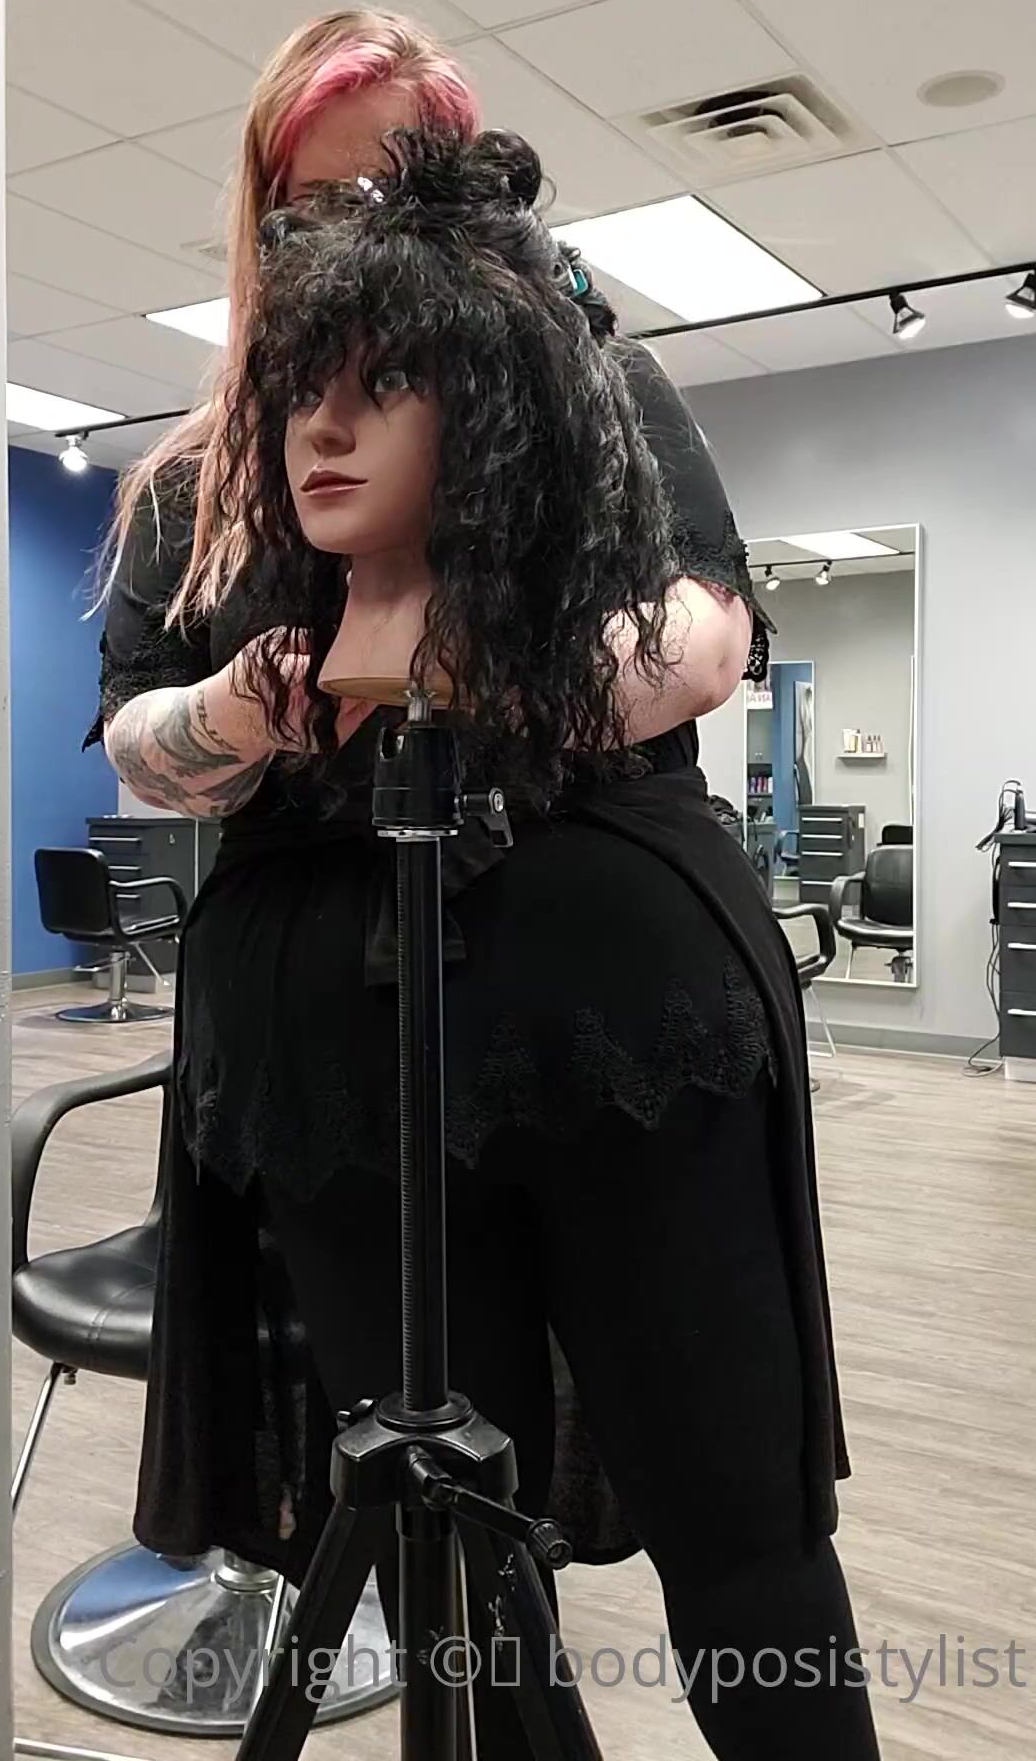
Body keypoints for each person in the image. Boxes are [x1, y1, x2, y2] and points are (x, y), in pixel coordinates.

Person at [90, 114, 879, 1759]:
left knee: (734, 1506)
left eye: (386, 371)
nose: (326, 425)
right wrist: (245, 706)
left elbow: (706, 631)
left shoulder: (604, 395)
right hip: (328, 1059)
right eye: (321, 201)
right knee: (446, 1565)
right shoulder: (197, 484)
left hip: (622, 1013)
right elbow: (138, 733)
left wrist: (491, 674)